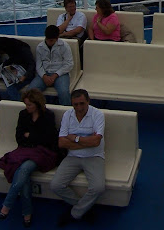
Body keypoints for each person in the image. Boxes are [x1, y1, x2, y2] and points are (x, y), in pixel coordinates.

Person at [0, 88, 59, 228]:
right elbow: (19, 137)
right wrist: (34, 137)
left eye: (29, 105)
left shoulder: (48, 116)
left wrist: (30, 136)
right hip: (26, 150)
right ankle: (27, 214)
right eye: (26, 104)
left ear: (37, 104)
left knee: (24, 168)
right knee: (23, 174)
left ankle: (7, 205)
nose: (27, 107)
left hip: (43, 153)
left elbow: (49, 139)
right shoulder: (23, 115)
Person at [51, 89, 105, 226]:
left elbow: (96, 142)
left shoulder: (98, 115)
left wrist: (75, 139)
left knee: (98, 187)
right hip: (72, 157)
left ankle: (74, 213)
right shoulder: (67, 115)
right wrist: (87, 142)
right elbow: (62, 143)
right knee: (56, 185)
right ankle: (84, 208)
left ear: (88, 101)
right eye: (75, 105)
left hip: (94, 156)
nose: (79, 108)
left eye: (82, 103)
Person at [28, 25, 74, 106]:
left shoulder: (65, 46)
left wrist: (56, 75)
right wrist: (44, 76)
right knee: (30, 91)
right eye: (48, 40)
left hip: (61, 74)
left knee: (64, 92)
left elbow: (69, 64)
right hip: (44, 73)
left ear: (57, 38)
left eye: (52, 40)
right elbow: (39, 65)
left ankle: (66, 112)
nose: (49, 42)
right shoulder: (40, 47)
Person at [0, 37, 36, 101]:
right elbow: (12, 59)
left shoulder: (24, 49)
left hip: (26, 74)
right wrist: (1, 67)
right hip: (16, 71)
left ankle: (18, 104)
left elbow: (31, 64)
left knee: (11, 87)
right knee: (9, 85)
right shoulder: (12, 50)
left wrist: (25, 76)